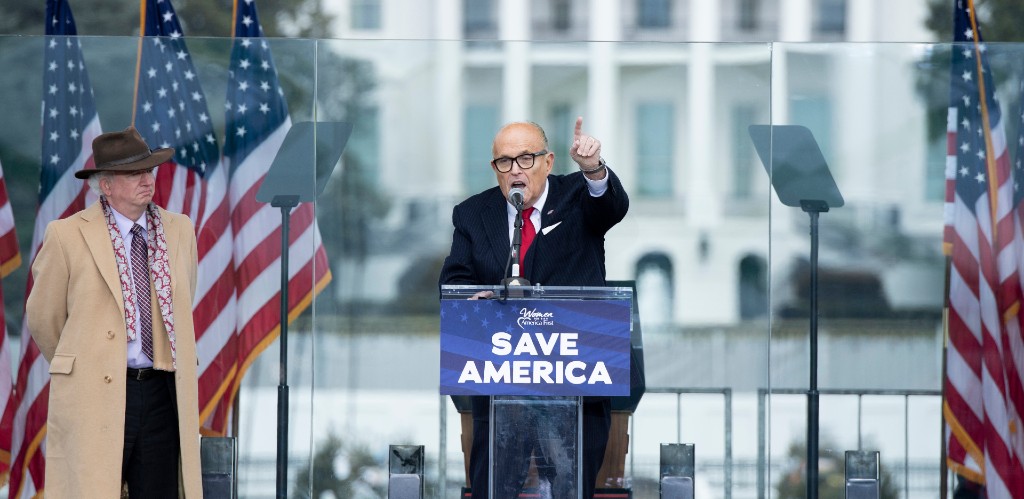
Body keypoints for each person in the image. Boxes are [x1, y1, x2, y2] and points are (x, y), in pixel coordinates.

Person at [440, 117, 629, 499]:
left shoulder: (578, 195)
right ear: (495, 168)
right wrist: (470, 302)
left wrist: (593, 169)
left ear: (548, 161)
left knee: (570, 486)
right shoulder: (473, 214)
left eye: (526, 159)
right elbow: (454, 282)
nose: (515, 170)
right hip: (502, 384)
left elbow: (611, 208)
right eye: (504, 162)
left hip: (576, 377)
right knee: (494, 486)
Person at [26, 126, 203, 498]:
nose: (147, 179)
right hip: (94, 394)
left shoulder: (180, 230)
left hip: (161, 391)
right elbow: (44, 319)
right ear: (105, 185)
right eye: (134, 173)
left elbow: (186, 298)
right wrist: (86, 363)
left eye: (149, 170)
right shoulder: (66, 235)